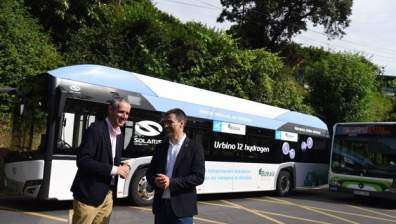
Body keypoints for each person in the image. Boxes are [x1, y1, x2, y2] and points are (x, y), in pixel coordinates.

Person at [71, 98, 131, 224]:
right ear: (110, 109)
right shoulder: (95, 130)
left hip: (107, 195)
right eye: (121, 112)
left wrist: (123, 167)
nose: (124, 116)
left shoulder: (119, 135)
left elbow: (109, 161)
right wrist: (115, 169)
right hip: (88, 195)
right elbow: (83, 161)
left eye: (127, 113)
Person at [146, 108, 205, 224]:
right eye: (165, 123)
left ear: (181, 123)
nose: (166, 126)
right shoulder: (160, 147)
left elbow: (198, 177)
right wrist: (154, 181)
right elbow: (149, 173)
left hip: (182, 210)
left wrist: (171, 182)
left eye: (170, 122)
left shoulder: (195, 148)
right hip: (161, 207)